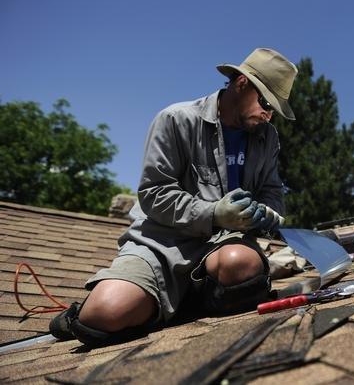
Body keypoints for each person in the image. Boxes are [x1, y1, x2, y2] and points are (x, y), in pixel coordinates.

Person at [49, 48, 298, 346]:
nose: (268, 115)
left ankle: (185, 298)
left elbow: (272, 192)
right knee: (103, 316)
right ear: (242, 83)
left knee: (241, 264)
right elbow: (153, 194)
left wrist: (267, 214)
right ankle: (97, 311)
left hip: (221, 246)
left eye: (274, 110)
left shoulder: (266, 136)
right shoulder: (176, 119)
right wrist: (214, 214)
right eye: (266, 103)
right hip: (160, 244)